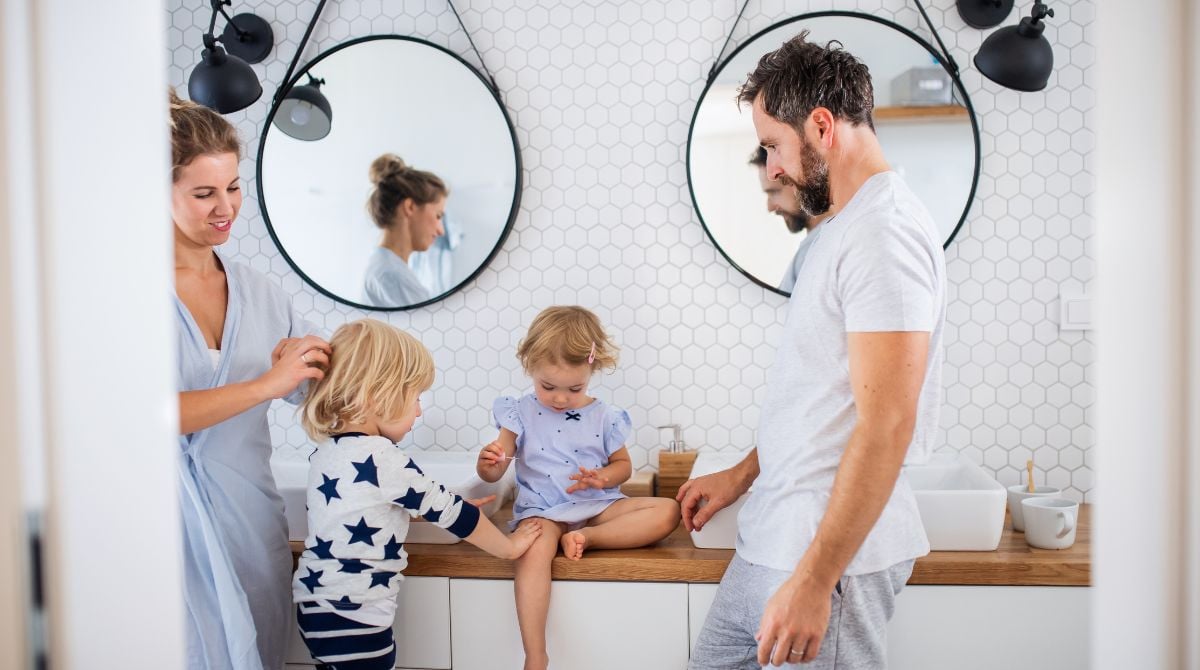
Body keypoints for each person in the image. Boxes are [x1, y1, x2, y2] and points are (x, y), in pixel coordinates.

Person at [680, 33, 946, 669]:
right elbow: (821, 397)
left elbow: (887, 424)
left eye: (773, 145)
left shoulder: (883, 235)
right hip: (779, 535)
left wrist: (816, 580)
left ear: (822, 127)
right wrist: (744, 473)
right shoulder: (839, 230)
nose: (770, 168)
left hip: (825, 559)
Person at [170, 89, 332, 669]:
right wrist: (266, 383)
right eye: (204, 193)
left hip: (251, 529)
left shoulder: (260, 293)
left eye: (233, 187)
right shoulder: (128, 291)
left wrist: (370, 369)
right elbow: (140, 414)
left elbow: (319, 393)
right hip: (162, 536)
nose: (226, 207)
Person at [293, 319, 541, 669]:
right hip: (357, 613)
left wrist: (423, 510)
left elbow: (361, 507)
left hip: (314, 604)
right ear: (379, 395)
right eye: (415, 397)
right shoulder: (383, 458)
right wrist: (510, 547)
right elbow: (455, 515)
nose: (420, 410)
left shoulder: (327, 451)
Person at [476, 306, 681, 670]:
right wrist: (488, 464)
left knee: (668, 511)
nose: (559, 398)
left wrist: (603, 477)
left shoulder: (604, 415)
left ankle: (588, 538)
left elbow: (623, 467)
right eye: (547, 386)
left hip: (597, 506)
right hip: (543, 510)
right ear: (529, 367)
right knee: (532, 553)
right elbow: (497, 468)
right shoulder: (518, 412)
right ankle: (536, 654)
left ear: (592, 369)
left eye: (574, 388)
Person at [362, 154, 447, 307]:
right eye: (438, 215)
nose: (441, 231)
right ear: (410, 207)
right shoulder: (392, 276)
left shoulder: (386, 268)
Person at [748, 146, 825, 293]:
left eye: (774, 192)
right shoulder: (811, 249)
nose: (770, 207)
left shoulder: (822, 249)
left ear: (804, 180)